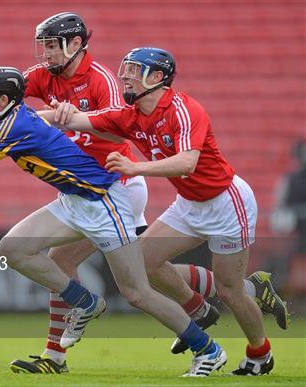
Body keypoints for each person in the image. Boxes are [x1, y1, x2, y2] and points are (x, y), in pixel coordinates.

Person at [0, 13, 287, 374]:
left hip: (117, 186)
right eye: (42, 45)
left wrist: (64, 126)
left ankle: (232, 330)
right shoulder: (43, 76)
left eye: (53, 45)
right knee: (128, 268)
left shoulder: (105, 82)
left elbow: (125, 132)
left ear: (76, 44)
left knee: (153, 285)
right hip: (101, 189)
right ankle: (193, 310)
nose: (45, 54)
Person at [0, 66, 227, 377]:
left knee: (137, 292)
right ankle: (85, 301)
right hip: (72, 202)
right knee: (13, 248)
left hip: (103, 204)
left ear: (1, 100)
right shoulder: (3, 121)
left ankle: (208, 350)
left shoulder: (16, 126)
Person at [43, 47, 288, 375]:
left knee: (230, 291)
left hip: (227, 204)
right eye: (125, 69)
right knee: (141, 263)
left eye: (134, 70)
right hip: (189, 204)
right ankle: (198, 310)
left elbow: (188, 162)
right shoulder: (131, 116)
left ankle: (260, 353)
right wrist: (27, 116)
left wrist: (135, 167)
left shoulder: (183, 108)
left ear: (157, 77)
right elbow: (76, 120)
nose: (125, 76)